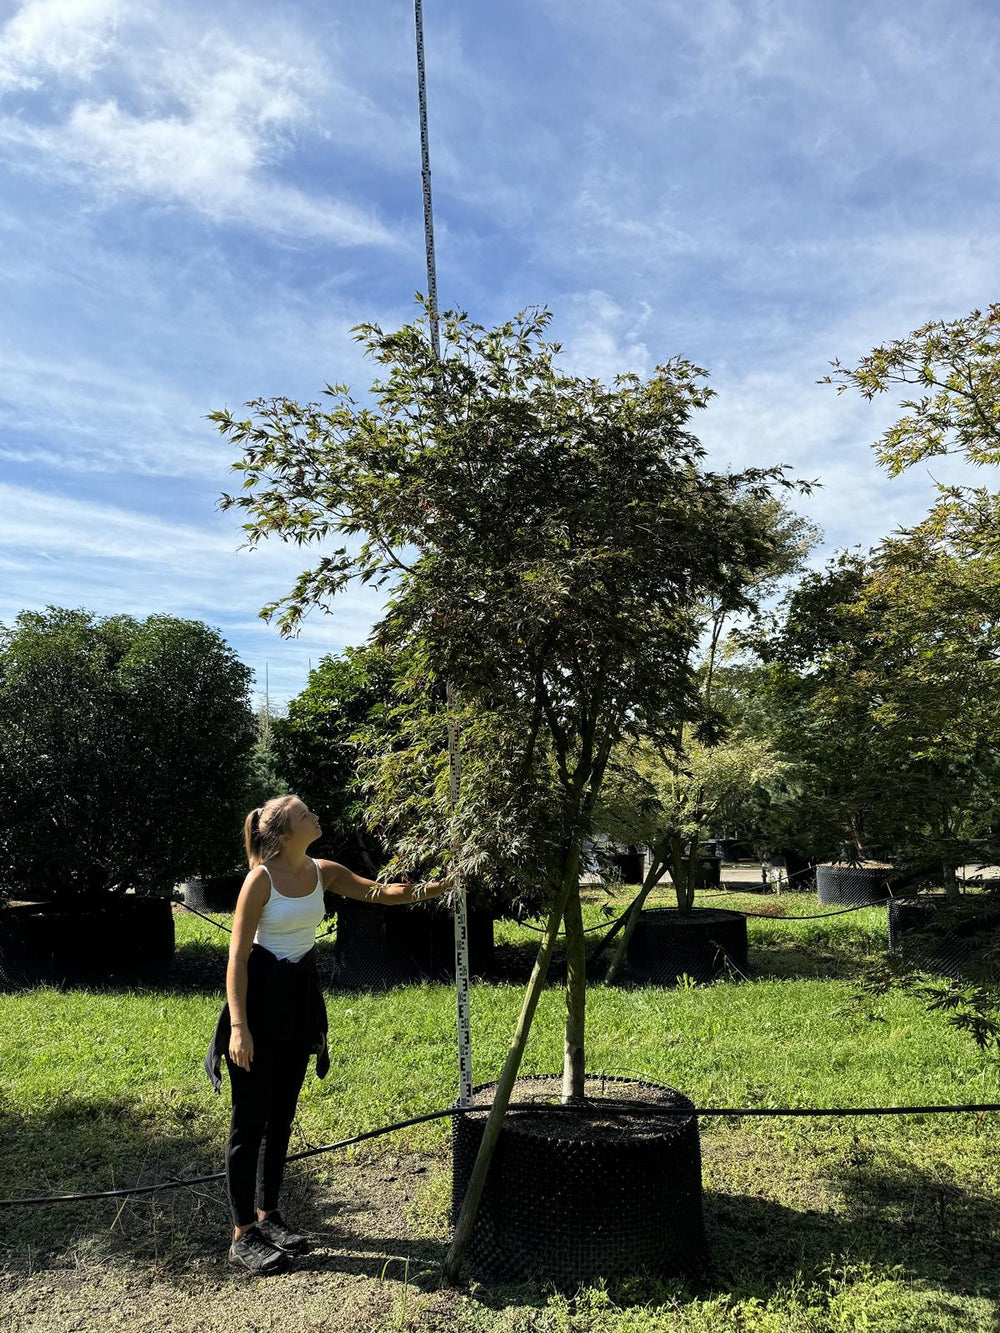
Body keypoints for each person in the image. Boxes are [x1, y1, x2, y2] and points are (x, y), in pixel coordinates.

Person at [204, 793, 450, 1275]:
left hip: (299, 1001)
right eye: (304, 814)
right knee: (249, 1122)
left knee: (282, 1118)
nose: (314, 816)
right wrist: (238, 1028)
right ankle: (242, 1234)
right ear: (282, 834)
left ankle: (267, 1214)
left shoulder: (323, 870)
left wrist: (444, 885)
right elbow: (236, 958)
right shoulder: (260, 880)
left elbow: (382, 893)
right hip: (257, 1003)